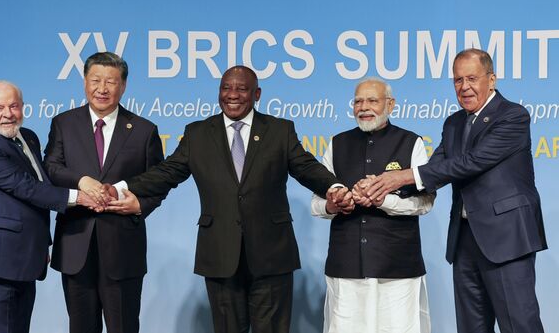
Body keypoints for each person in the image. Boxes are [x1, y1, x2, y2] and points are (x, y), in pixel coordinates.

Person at [106, 65, 352, 333]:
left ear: (257, 94)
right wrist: (122, 187)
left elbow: (306, 167)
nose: (232, 94)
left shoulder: (279, 130)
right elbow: (167, 172)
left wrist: (333, 186)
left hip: (271, 254)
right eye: (226, 88)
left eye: (241, 88)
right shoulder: (197, 133)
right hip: (220, 253)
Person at [365, 49, 547, 333]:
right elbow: (437, 167)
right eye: (458, 80)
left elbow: (471, 162)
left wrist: (400, 177)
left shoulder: (513, 116)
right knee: (471, 326)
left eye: (472, 78)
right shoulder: (453, 122)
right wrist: (381, 188)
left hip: (506, 238)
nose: (464, 87)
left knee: (519, 324)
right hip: (464, 240)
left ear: (492, 79)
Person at [43, 52, 165, 333]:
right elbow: (50, 167)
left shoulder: (144, 130)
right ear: (84, 82)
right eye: (95, 80)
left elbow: (157, 181)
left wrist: (140, 206)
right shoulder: (64, 123)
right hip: (75, 244)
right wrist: (82, 180)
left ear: (123, 86)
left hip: (123, 248)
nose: (102, 88)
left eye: (111, 81)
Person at [0, 80, 98, 333]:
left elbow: (41, 183)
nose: (7, 114)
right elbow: (25, 188)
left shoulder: (29, 137)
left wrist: (38, 243)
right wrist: (80, 196)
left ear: (23, 107)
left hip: (25, 258)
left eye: (13, 106)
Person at [310, 78, 434, 333]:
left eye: (372, 100)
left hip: (397, 267)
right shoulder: (337, 143)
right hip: (346, 266)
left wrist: (383, 200)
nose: (363, 107)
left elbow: (425, 203)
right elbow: (316, 203)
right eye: (358, 101)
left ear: (390, 104)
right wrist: (335, 204)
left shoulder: (411, 142)